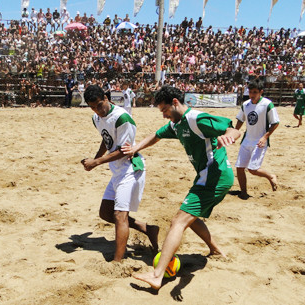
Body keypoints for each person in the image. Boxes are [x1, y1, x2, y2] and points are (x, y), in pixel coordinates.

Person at [123, 86, 240, 290]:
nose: (164, 114)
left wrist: (228, 136)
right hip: (206, 176)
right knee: (190, 219)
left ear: (175, 102)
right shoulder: (176, 124)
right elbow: (156, 135)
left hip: (215, 176)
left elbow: (233, 128)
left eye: (165, 109)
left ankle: (157, 275)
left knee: (178, 220)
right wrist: (136, 148)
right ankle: (215, 250)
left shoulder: (196, 119)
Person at [81, 85, 158, 262]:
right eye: (92, 107)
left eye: (99, 105)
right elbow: (106, 139)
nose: (97, 110)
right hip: (117, 171)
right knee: (105, 213)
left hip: (131, 169)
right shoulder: (96, 118)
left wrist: (97, 162)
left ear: (106, 98)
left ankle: (118, 261)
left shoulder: (122, 118)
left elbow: (126, 151)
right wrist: (95, 159)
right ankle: (148, 229)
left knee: (119, 215)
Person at [235, 79, 279, 200]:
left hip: (259, 141)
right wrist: (234, 132)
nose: (252, 95)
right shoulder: (245, 105)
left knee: (253, 169)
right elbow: (240, 120)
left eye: (255, 92)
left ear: (261, 92)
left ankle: (270, 176)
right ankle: (243, 192)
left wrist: (265, 137)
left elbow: (275, 123)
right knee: (239, 167)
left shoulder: (267, 104)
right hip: (246, 140)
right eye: (250, 92)